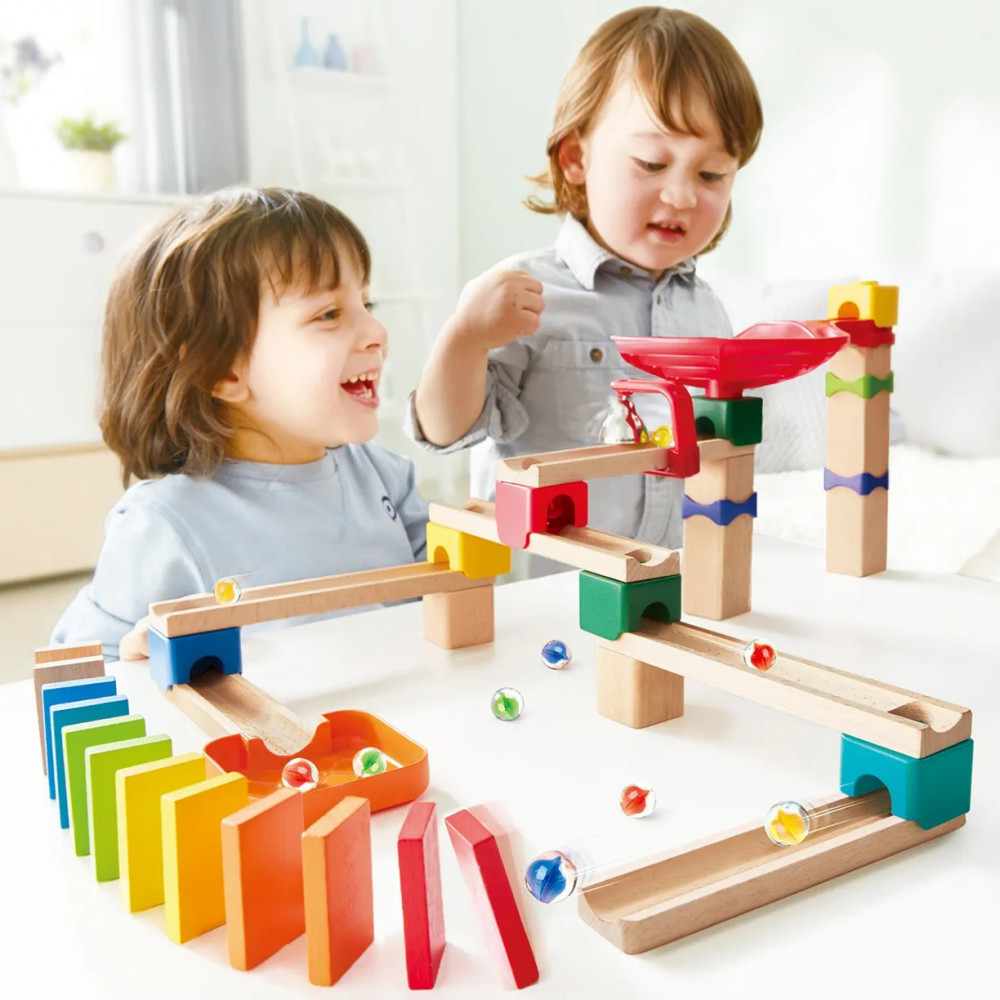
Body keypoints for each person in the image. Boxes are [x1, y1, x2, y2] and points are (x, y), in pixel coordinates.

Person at [408, 6, 762, 564]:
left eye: (712, 174)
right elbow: (444, 430)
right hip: (548, 591)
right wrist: (466, 337)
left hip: (671, 578)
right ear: (576, 158)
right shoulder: (526, 295)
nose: (682, 195)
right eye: (652, 163)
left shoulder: (708, 311)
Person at [51, 187, 428, 660]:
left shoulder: (384, 477)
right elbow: (80, 667)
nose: (376, 333)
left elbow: (448, 590)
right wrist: (133, 660)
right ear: (222, 371)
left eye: (367, 306)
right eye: (329, 314)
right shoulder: (165, 523)